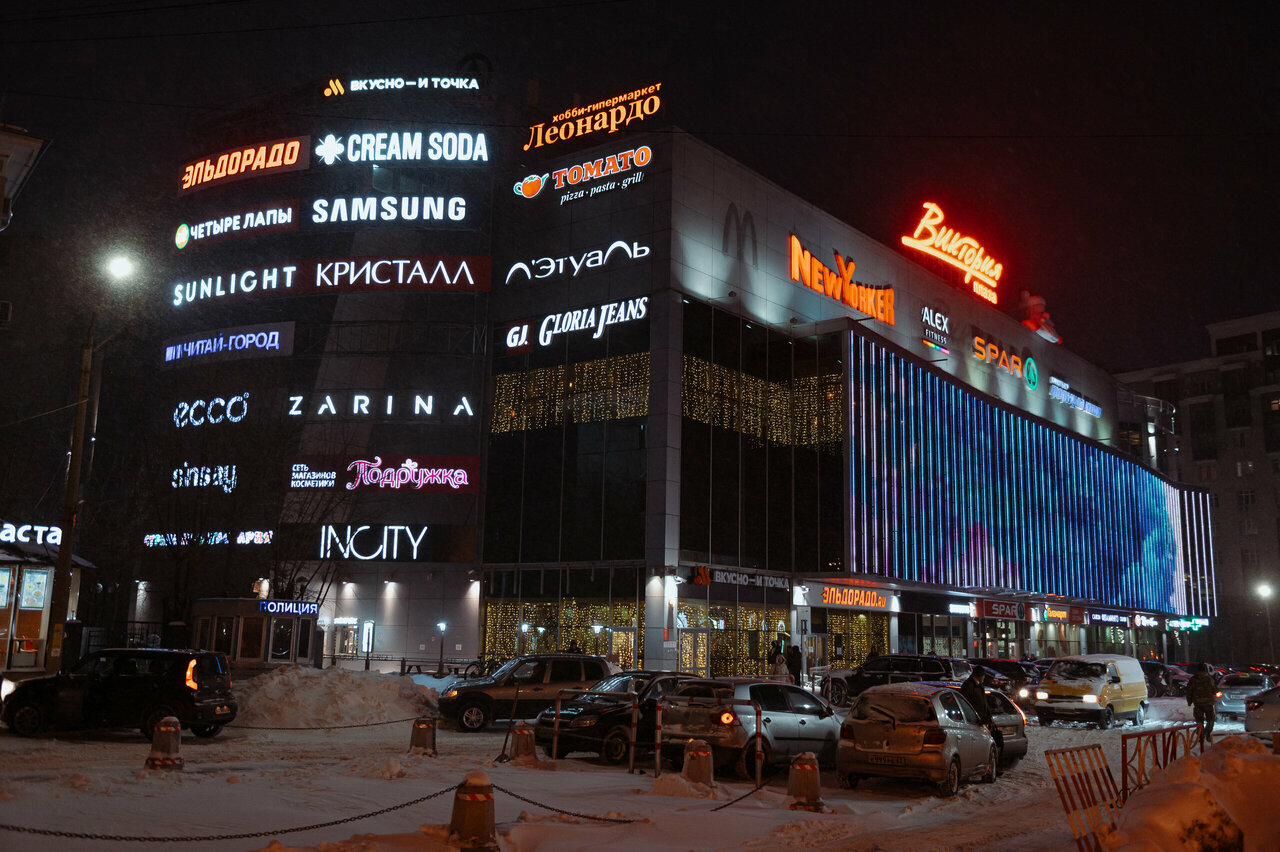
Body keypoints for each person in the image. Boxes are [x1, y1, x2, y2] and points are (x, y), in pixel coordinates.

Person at [1186, 662, 1217, 751]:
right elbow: (1214, 689)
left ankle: (1201, 735)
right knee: (1210, 719)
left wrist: (1189, 701)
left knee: (1199, 721)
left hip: (1198, 703)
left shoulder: (1193, 679)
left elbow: (1189, 691)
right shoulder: (1209, 679)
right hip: (1208, 703)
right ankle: (1207, 732)